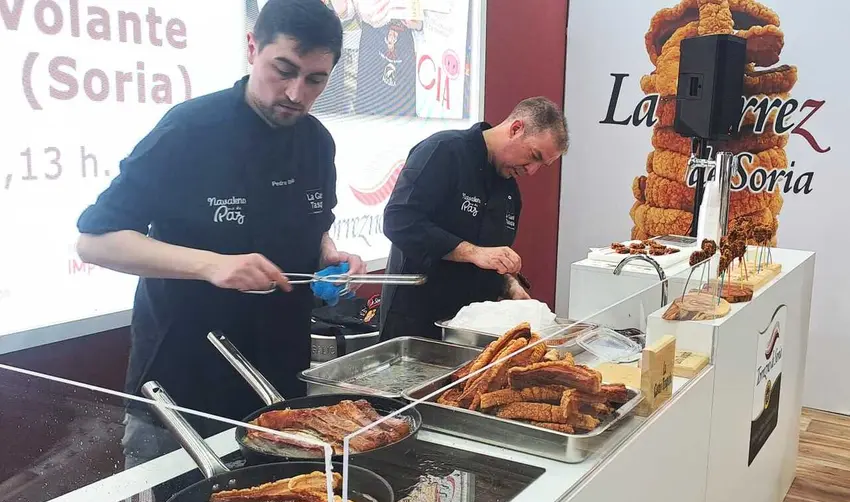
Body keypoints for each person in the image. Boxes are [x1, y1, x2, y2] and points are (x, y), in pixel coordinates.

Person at [75, 0, 365, 467]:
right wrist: (211, 265)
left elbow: (313, 223)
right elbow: (94, 241)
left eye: (315, 80)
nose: (296, 93)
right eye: (283, 70)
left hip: (277, 378)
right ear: (252, 47)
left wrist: (327, 254)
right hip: (183, 380)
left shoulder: (316, 141)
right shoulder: (190, 129)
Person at [379, 97, 569, 341]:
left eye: (542, 165)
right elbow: (399, 221)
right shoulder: (443, 151)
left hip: (471, 332)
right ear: (515, 129)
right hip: (416, 323)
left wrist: (510, 285)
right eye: (534, 155)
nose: (531, 171)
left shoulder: (510, 193)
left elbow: (490, 261)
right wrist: (472, 252)